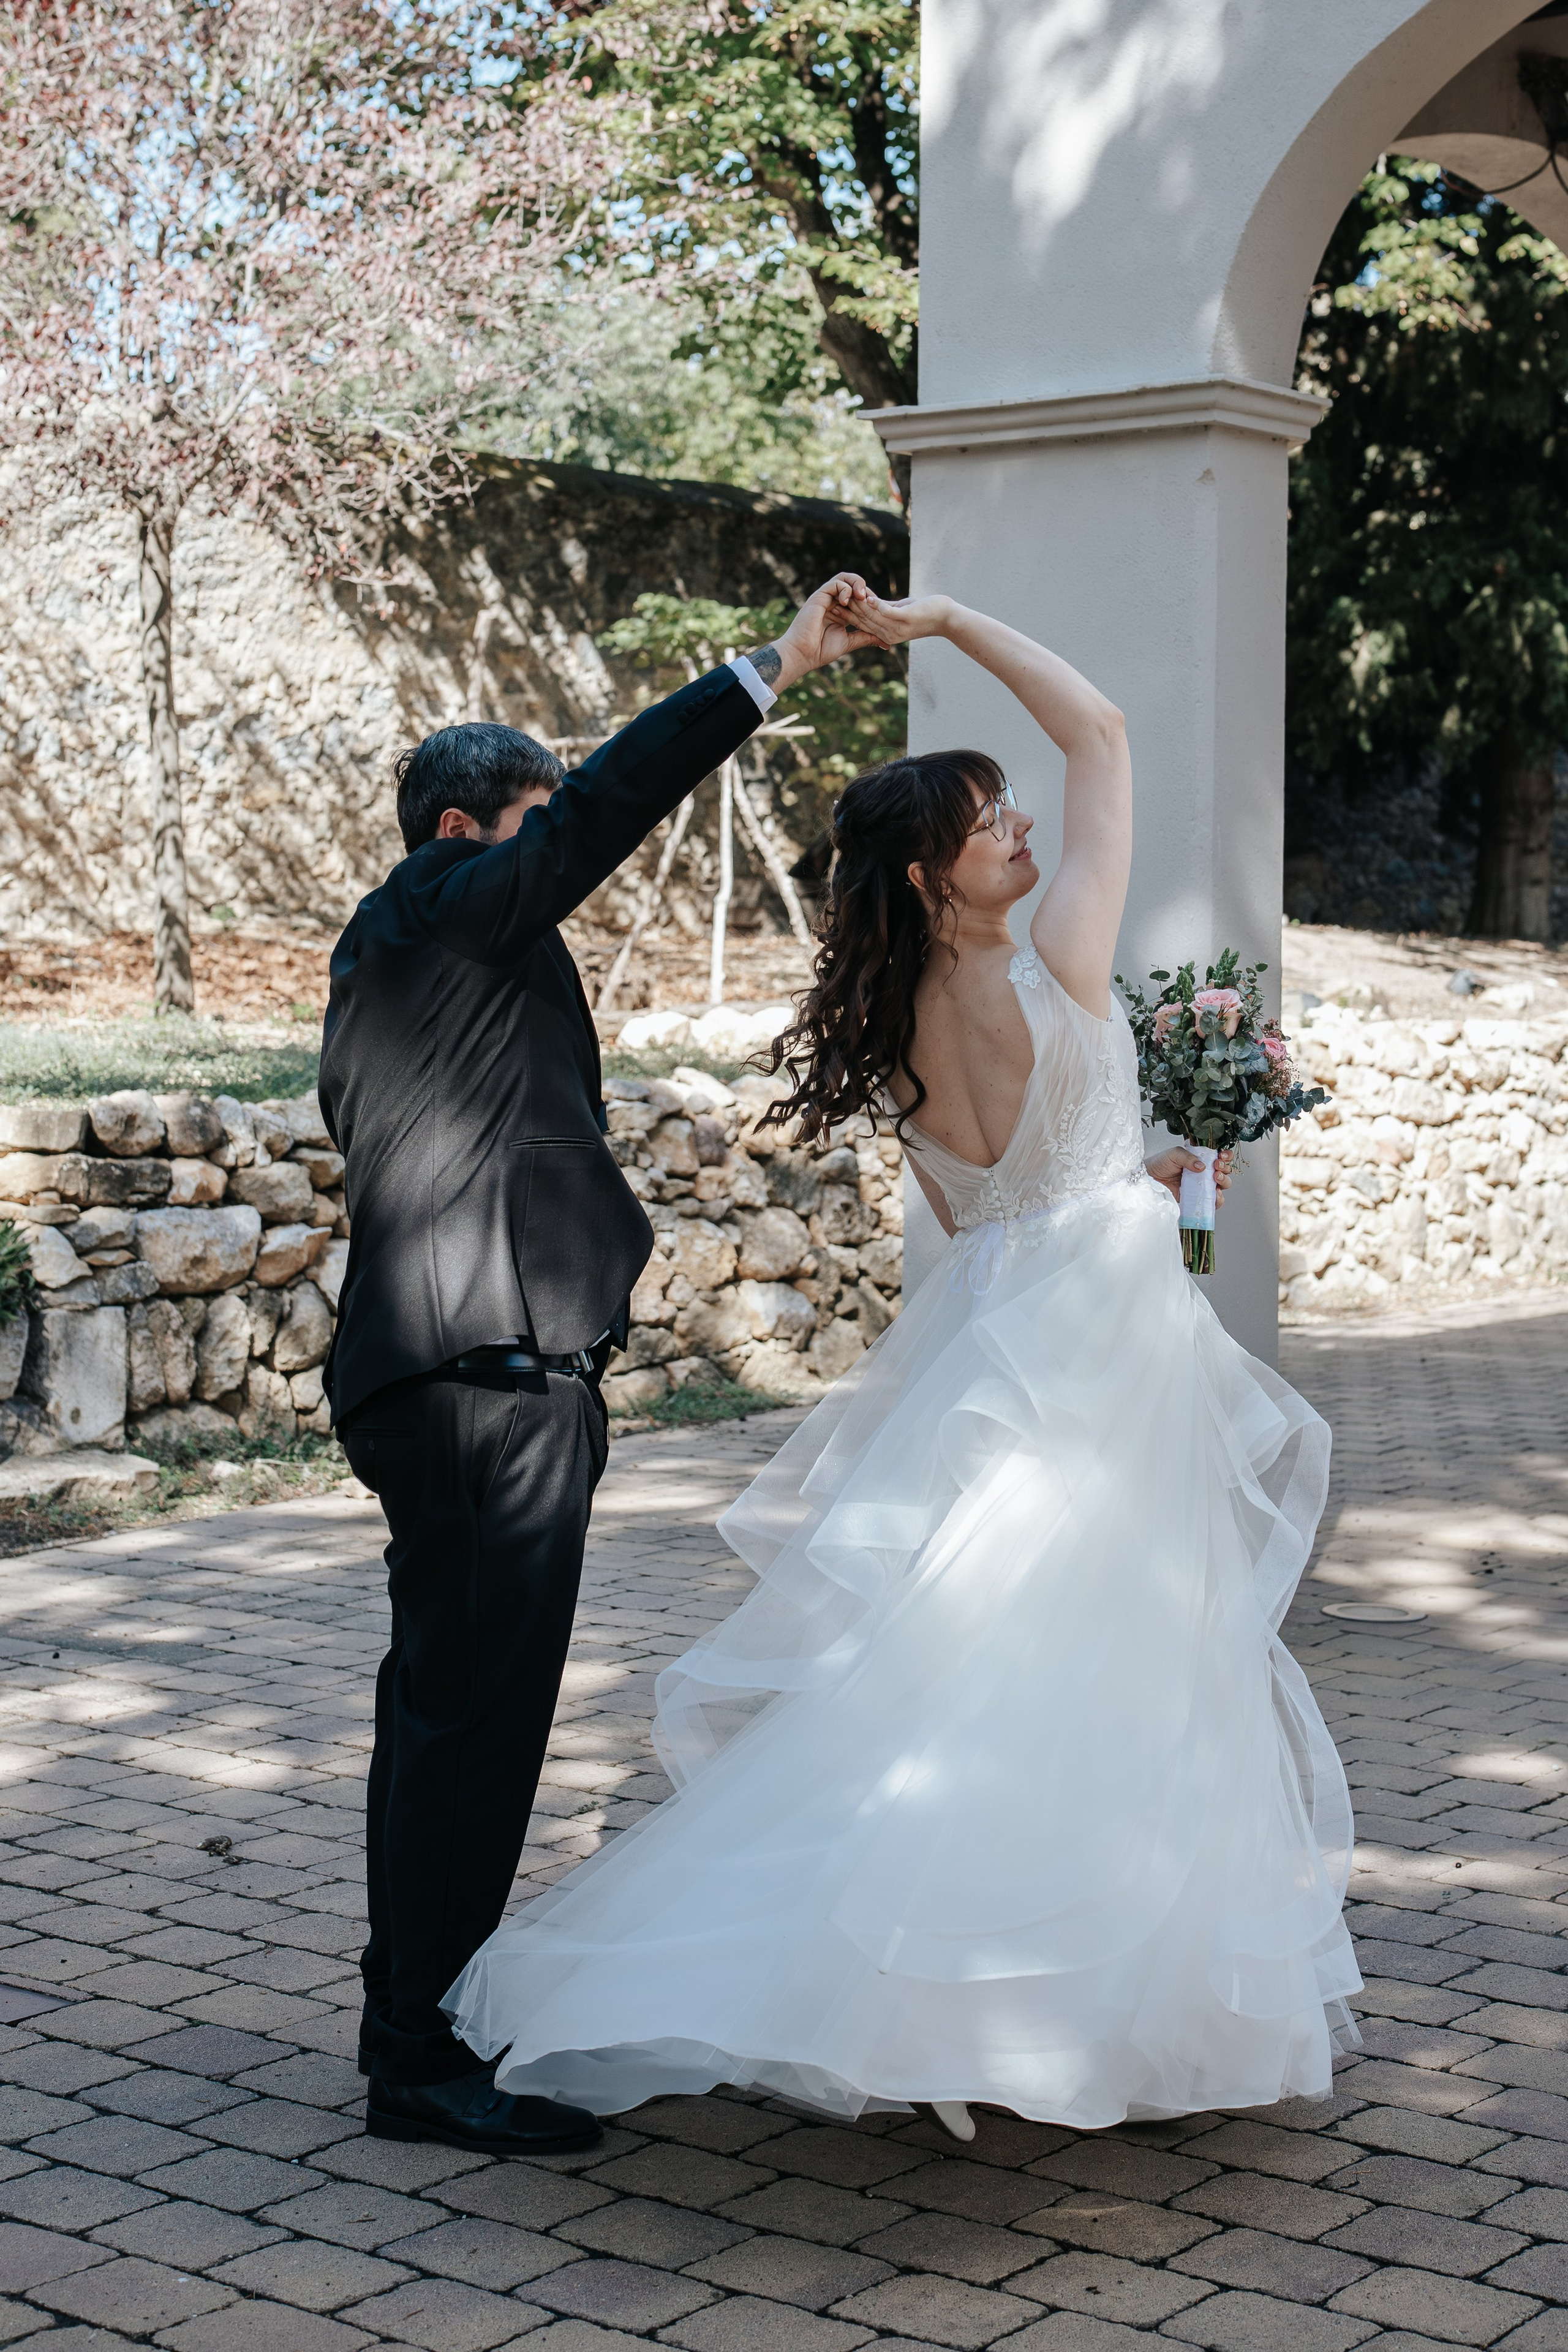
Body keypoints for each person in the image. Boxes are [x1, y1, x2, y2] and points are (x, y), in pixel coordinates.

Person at [445, 594, 1361, 2138]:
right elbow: (1107, 732)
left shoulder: (894, 1032)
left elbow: (982, 1208)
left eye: (1012, 813)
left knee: (994, 1653)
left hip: (1015, 1332)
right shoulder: (1054, 960)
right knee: (1112, 1657)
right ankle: (1061, 2003)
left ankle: (961, 1981)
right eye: (988, 821)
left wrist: (1131, 1177)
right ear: (935, 876)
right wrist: (938, 618)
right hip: (1099, 1349)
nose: (1020, 830)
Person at [318, 573, 887, 2157]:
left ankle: (414, 2019)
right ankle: (421, 2059)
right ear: (457, 833)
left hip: (449, 1373)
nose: (553, 853)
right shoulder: (437, 909)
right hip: (485, 1382)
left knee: (443, 1716)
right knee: (475, 1726)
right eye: (532, 827)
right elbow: (612, 810)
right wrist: (770, 669)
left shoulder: (403, 967)